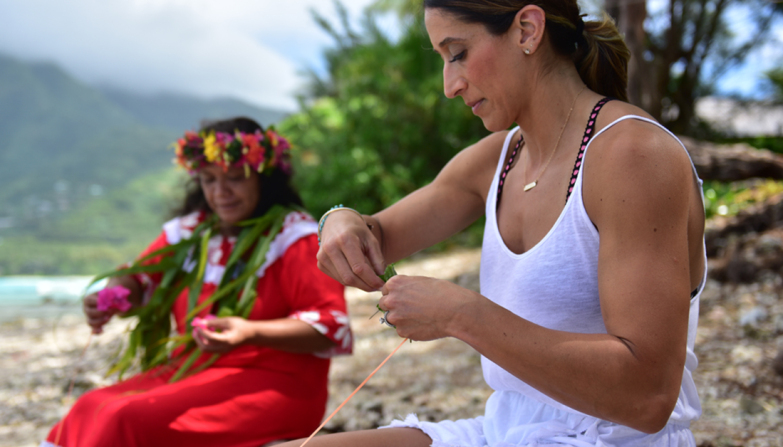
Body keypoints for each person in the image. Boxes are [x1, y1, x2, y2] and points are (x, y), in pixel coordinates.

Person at [284, 0, 706, 445]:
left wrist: (461, 315)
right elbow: (379, 234)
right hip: (508, 429)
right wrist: (338, 220)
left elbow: (647, 397)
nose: (450, 85)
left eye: (458, 53)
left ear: (527, 30)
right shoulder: (498, 161)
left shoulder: (632, 155)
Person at [41, 117, 352, 447]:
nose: (220, 193)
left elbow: (331, 326)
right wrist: (113, 296)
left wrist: (248, 332)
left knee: (126, 416)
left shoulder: (295, 238)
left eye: (235, 178)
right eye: (208, 180)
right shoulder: (192, 232)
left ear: (264, 177)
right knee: (90, 406)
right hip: (191, 372)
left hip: (274, 385)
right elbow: (138, 275)